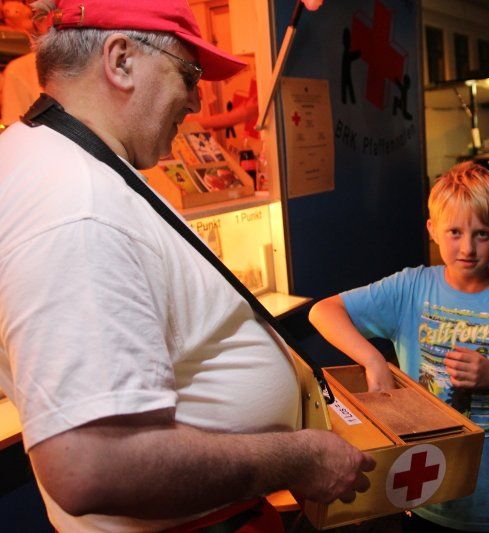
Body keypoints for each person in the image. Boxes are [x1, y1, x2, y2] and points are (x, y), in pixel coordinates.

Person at [0, 1, 374, 531]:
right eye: (189, 75)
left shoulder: (63, 159)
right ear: (121, 61)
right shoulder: (77, 206)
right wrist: (299, 459)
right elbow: (93, 465)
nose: (197, 101)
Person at [309, 161, 489, 532]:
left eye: (482, 234)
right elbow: (323, 311)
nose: (468, 248)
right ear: (432, 230)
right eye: (455, 232)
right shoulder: (410, 288)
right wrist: (375, 361)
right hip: (421, 486)